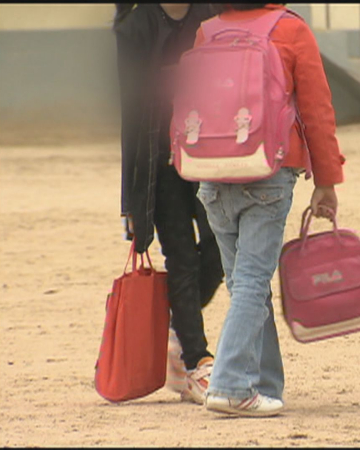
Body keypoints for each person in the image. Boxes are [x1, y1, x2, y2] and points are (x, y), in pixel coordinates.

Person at [189, 3, 345, 417]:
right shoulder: (290, 30)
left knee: (245, 285)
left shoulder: (209, 31)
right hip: (267, 171)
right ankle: (230, 385)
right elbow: (316, 109)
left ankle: (263, 384)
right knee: (253, 283)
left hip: (213, 175)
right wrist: (327, 180)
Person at [113, 3, 224, 404]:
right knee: (180, 257)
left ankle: (180, 326)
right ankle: (197, 361)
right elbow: (132, 112)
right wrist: (131, 198)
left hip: (209, 154)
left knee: (218, 250)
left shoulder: (211, 14)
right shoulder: (136, 25)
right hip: (160, 160)